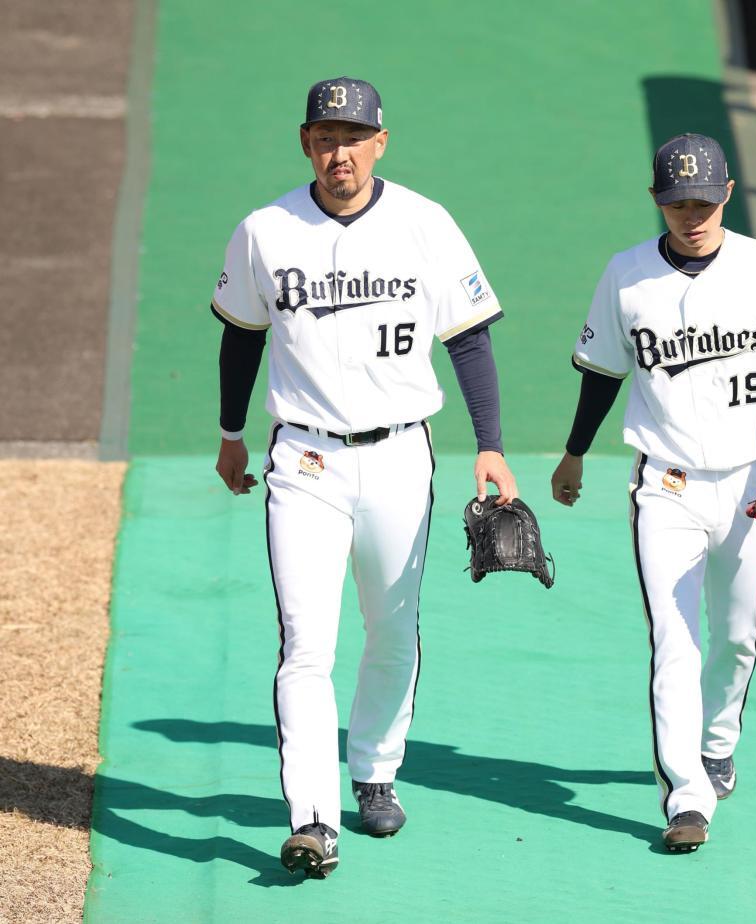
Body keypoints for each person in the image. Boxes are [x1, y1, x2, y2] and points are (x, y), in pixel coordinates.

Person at [211, 77, 518, 879]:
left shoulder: (425, 224)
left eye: (352, 135)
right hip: (302, 461)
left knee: (390, 625)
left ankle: (375, 769)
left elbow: (470, 340)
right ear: (305, 142)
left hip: (398, 454)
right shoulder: (264, 231)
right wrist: (231, 434)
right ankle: (312, 818)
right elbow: (241, 336)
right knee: (306, 644)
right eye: (323, 135)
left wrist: (489, 445)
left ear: (381, 142)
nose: (337, 149)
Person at [550, 133, 756, 852]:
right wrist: (575, 454)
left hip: (750, 484)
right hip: (664, 487)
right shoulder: (627, 275)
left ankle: (717, 741)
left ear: (728, 194)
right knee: (675, 643)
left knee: (737, 639)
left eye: (703, 200)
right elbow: (602, 374)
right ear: (657, 201)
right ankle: (685, 796)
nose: (691, 214)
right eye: (678, 202)